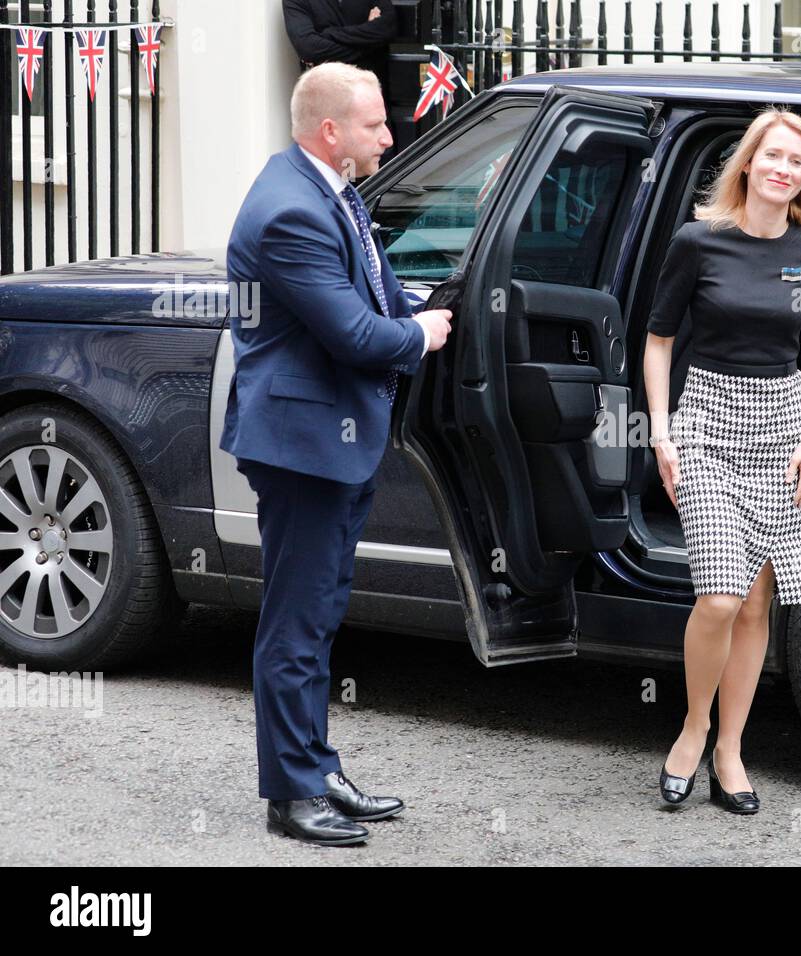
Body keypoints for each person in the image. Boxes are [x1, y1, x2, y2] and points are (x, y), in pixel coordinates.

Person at [220, 62, 453, 846]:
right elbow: (356, 337)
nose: (390, 135)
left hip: (330, 442)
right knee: (295, 623)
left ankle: (317, 766)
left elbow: (373, 290)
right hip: (303, 446)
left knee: (317, 615)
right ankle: (291, 794)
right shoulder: (291, 209)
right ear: (331, 131)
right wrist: (420, 335)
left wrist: (417, 305)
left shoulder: (330, 186)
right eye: (374, 124)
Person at [643, 107, 801, 814]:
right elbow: (659, 338)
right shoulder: (699, 241)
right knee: (720, 595)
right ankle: (694, 727)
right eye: (774, 156)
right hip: (706, 422)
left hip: (782, 426)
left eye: (798, 162)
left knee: (757, 602)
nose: (784, 170)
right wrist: (662, 433)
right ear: (749, 163)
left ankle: (731, 749)